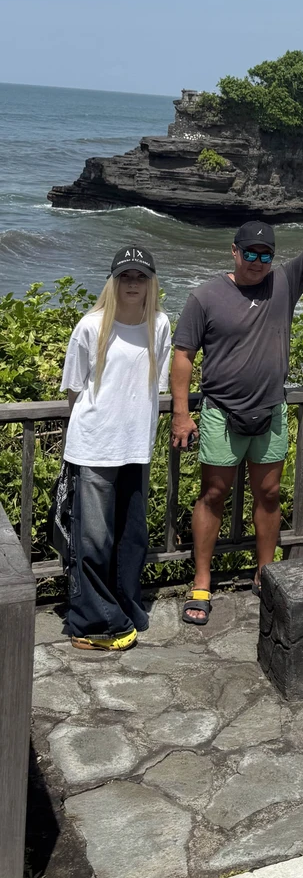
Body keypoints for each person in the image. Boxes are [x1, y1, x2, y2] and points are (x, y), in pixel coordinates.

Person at [171, 169, 303, 624]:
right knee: (213, 494)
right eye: (249, 252)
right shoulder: (205, 296)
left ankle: (266, 572)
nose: (256, 261)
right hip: (219, 412)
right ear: (234, 251)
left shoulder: (284, 283)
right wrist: (180, 413)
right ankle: (201, 582)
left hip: (270, 410)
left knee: (269, 493)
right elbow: (183, 357)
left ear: (273, 256)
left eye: (265, 254)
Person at [61, 247, 171, 650]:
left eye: (140, 276)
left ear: (150, 282)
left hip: (135, 448)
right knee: (93, 539)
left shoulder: (159, 324)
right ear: (113, 281)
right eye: (125, 276)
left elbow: (155, 388)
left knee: (131, 536)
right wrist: (97, 430)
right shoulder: (91, 327)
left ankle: (124, 606)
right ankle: (92, 622)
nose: (132, 283)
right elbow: (75, 391)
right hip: (93, 448)